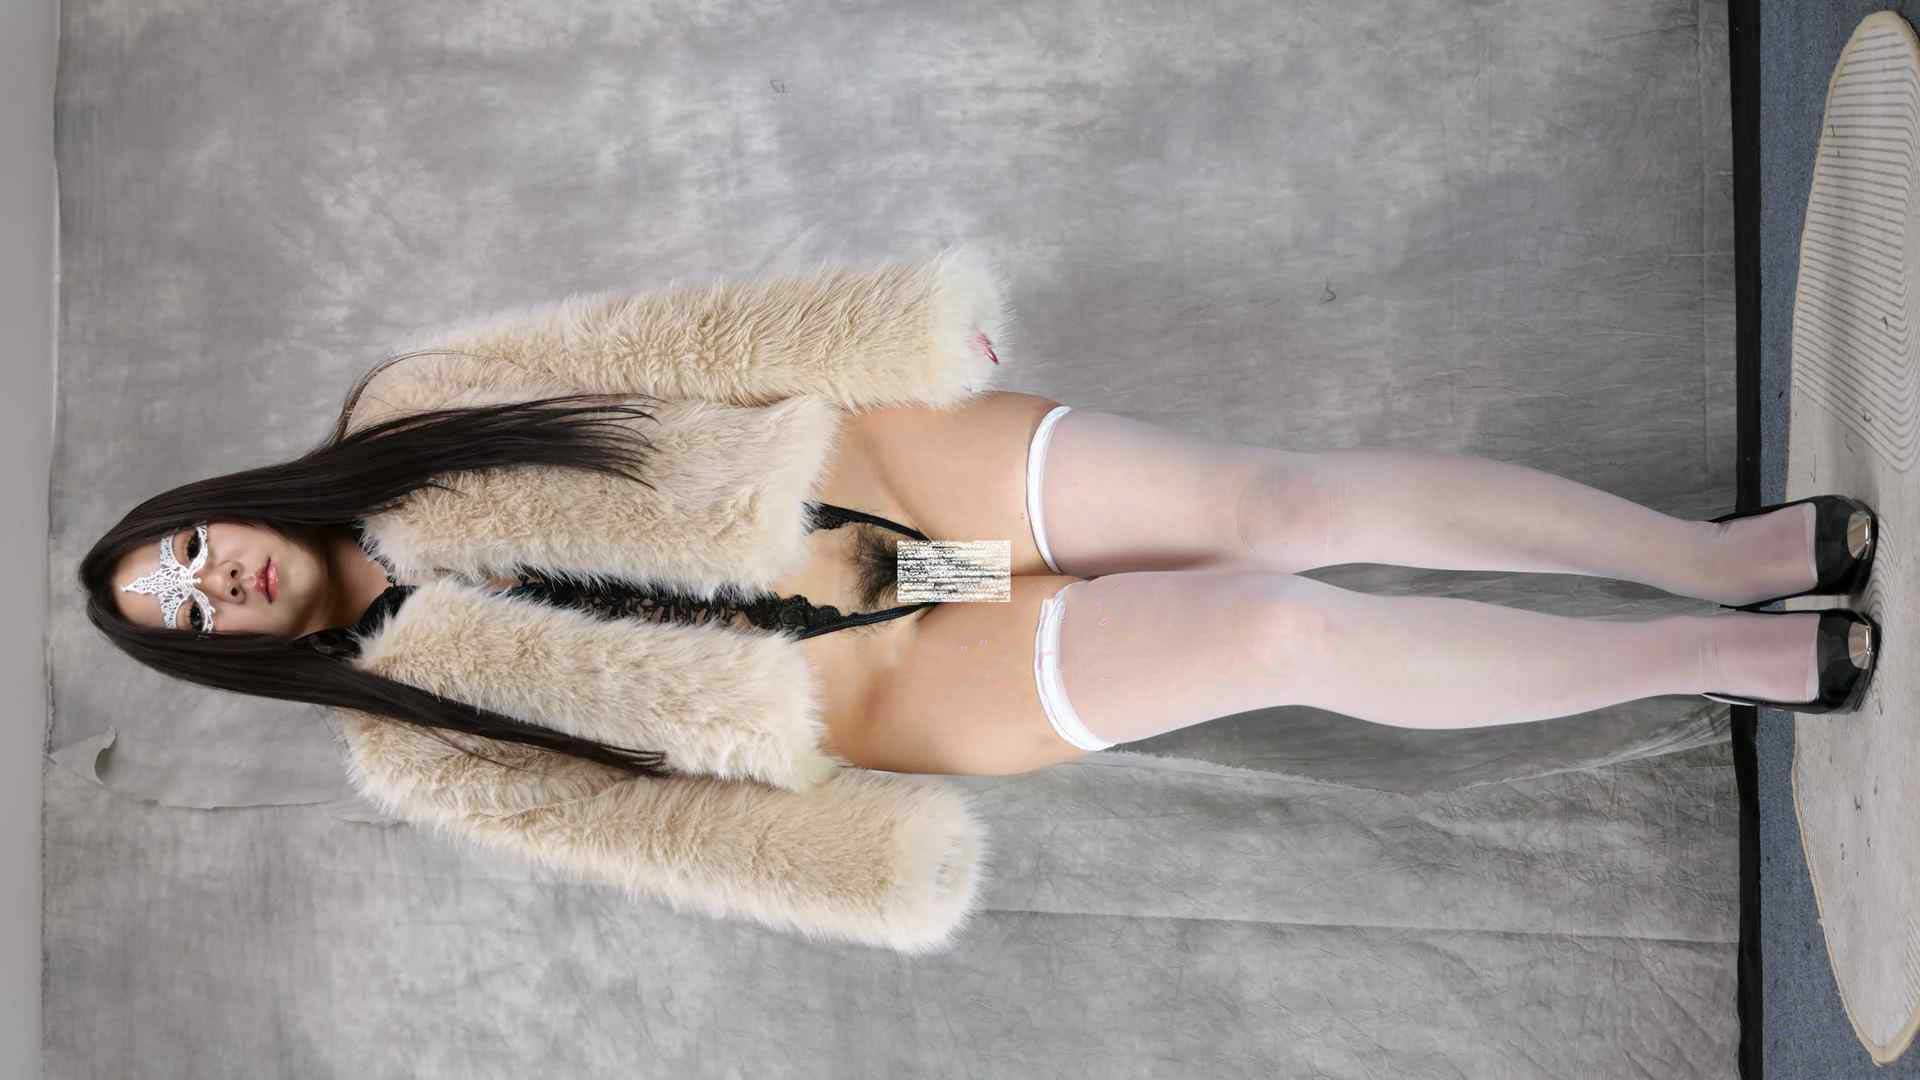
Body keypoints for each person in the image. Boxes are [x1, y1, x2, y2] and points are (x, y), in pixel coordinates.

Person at [78, 243, 1880, 952]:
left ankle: (1707, 556)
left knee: (1281, 502)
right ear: (227, 656)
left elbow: (655, 341)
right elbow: (652, 836)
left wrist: (885, 333)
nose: (207, 583)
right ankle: (1719, 659)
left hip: (883, 484)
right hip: (901, 675)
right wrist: (860, 872)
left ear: (211, 510)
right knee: (1282, 628)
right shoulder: (409, 751)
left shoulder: (403, 410)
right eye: (186, 616)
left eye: (181, 554)